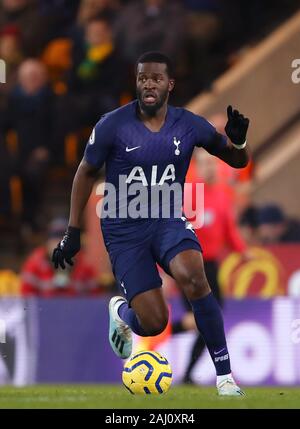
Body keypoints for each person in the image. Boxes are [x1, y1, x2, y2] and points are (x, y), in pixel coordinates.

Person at [52, 51, 250, 395]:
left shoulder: (188, 124)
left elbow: (235, 160)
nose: (149, 84)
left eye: (156, 78)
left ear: (169, 85)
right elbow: (85, 172)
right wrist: (73, 231)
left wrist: (239, 141)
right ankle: (123, 315)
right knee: (154, 321)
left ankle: (225, 377)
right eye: (143, 78)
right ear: (137, 82)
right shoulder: (113, 124)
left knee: (194, 275)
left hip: (167, 220)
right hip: (124, 230)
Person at [173, 149, 249, 384]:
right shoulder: (189, 194)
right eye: (205, 163)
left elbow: (228, 229)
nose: (210, 168)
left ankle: (187, 374)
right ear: (197, 166)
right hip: (189, 264)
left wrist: (242, 251)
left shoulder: (223, 194)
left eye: (213, 163)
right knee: (201, 320)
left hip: (212, 266)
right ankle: (154, 329)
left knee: (209, 320)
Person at [21, 218, 100, 297]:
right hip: (44, 308)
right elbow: (26, 300)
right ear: (47, 242)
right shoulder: (34, 263)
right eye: (55, 239)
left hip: (76, 308)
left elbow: (95, 298)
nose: (60, 244)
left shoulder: (84, 265)